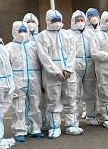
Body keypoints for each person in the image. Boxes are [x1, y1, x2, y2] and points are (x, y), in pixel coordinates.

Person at [36, 10, 82, 138]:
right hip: (52, 74)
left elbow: (73, 52)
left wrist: (68, 69)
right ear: (48, 21)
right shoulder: (42, 36)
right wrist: (55, 71)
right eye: (54, 20)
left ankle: (71, 125)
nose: (57, 23)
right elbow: (43, 56)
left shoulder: (67, 35)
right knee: (53, 100)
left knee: (71, 98)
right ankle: (55, 126)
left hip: (68, 73)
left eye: (58, 20)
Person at [7, 21, 44, 141]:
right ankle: (20, 131)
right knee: (18, 106)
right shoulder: (9, 48)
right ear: (14, 32)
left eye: (24, 31)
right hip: (17, 79)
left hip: (34, 78)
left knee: (35, 103)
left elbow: (41, 62)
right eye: (20, 31)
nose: (22, 33)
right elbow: (7, 67)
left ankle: (36, 128)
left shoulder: (34, 46)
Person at [68, 10, 99, 125]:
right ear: (73, 21)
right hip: (74, 66)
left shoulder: (91, 33)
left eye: (82, 20)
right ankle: (73, 120)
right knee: (73, 94)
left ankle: (91, 116)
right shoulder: (68, 34)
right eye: (78, 21)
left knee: (91, 93)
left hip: (89, 65)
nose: (80, 22)